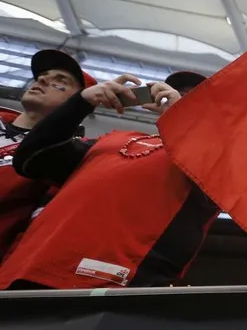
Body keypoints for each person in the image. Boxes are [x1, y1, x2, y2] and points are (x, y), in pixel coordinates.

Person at [0, 73, 218, 289]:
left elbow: (235, 181)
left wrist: (187, 123)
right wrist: (83, 102)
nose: (176, 98)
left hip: (106, 289)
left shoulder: (215, 159)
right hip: (21, 275)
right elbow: (31, 159)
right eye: (176, 92)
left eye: (192, 97)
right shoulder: (112, 139)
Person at [0, 49, 95, 259]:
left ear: (79, 102)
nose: (42, 80)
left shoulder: (67, 157)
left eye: (60, 81)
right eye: (43, 76)